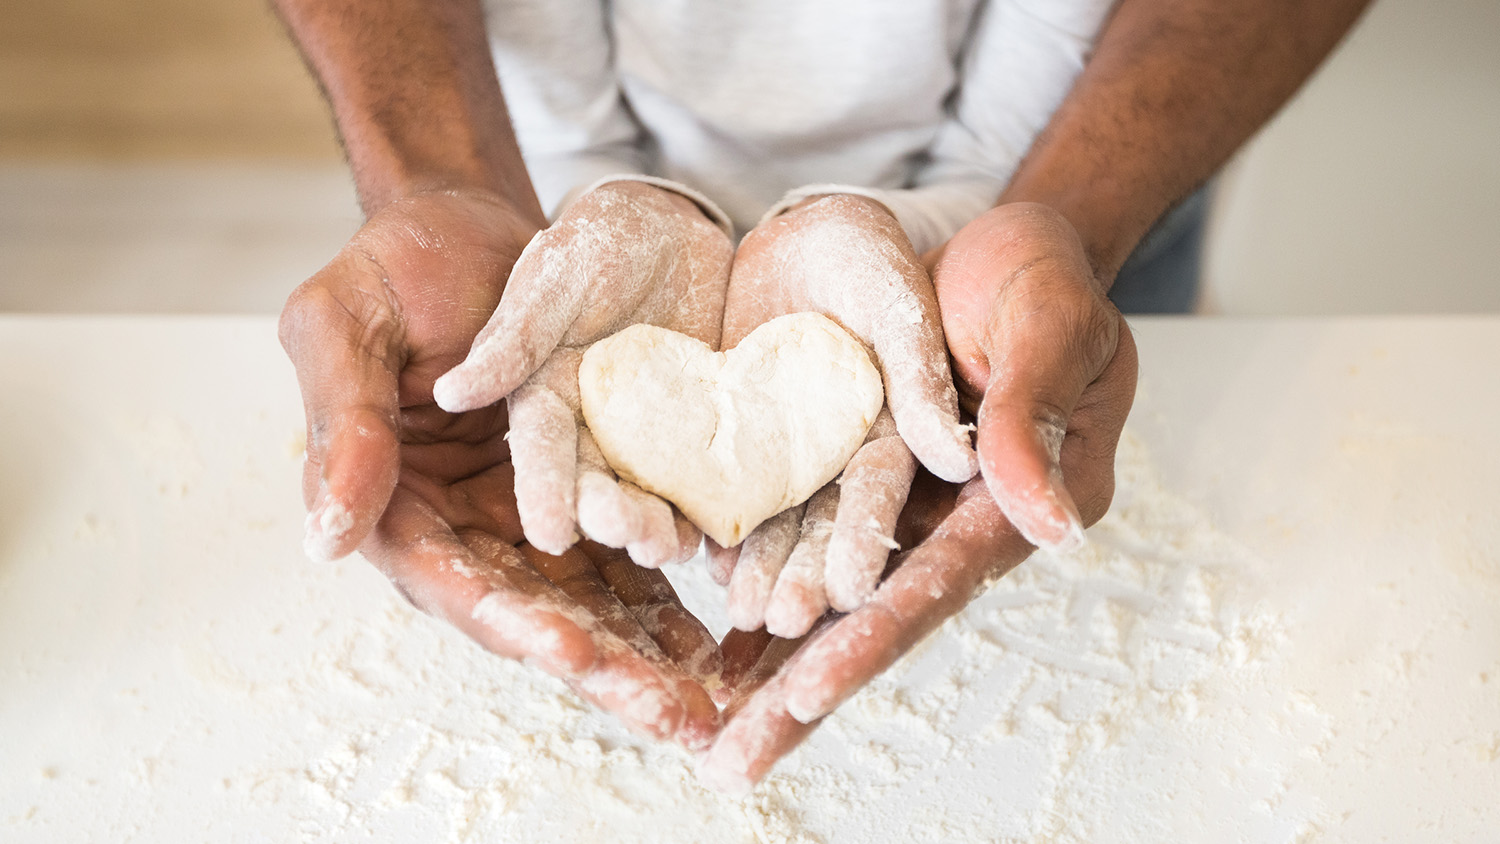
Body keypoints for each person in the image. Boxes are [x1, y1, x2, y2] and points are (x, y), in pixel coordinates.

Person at [273, 0, 1370, 791]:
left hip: (1084, 149)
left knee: (1063, 396)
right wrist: (453, 182)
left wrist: (1058, 218)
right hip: (519, 171)